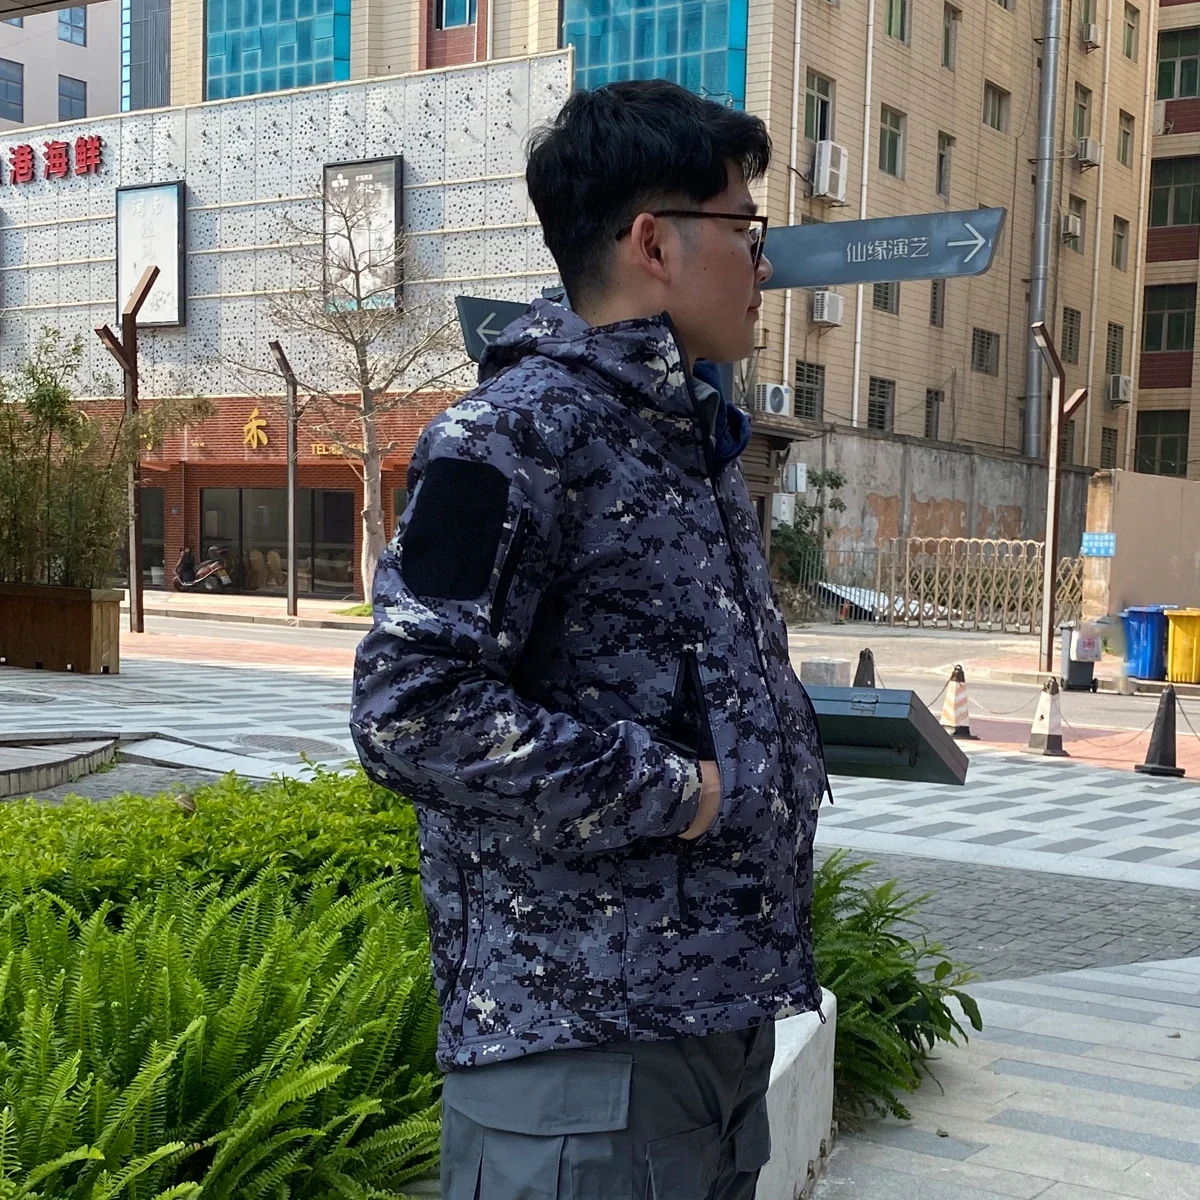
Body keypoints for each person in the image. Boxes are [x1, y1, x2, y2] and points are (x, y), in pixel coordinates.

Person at [350, 78, 829, 1200]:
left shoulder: (684, 441)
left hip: (709, 1031)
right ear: (654, 243)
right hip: (577, 1058)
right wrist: (681, 792)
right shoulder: (508, 438)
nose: (764, 265)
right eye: (745, 229)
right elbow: (409, 711)